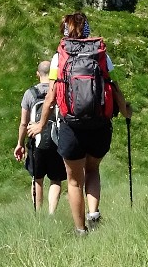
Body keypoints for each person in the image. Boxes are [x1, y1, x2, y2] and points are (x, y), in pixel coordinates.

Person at [28, 12, 130, 234]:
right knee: (92, 170)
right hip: (99, 125)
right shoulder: (101, 53)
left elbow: (51, 97)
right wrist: (125, 111)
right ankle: (93, 213)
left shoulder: (60, 57)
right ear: (87, 30)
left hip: (71, 127)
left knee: (74, 181)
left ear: (65, 31)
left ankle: (80, 229)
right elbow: (114, 87)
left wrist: (40, 125)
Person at [14, 60, 66, 215]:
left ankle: (37, 213)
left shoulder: (30, 94)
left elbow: (24, 123)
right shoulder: (58, 91)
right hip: (57, 142)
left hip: (36, 142)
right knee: (56, 179)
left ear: (38, 74)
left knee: (37, 178)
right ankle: (51, 214)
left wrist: (20, 144)